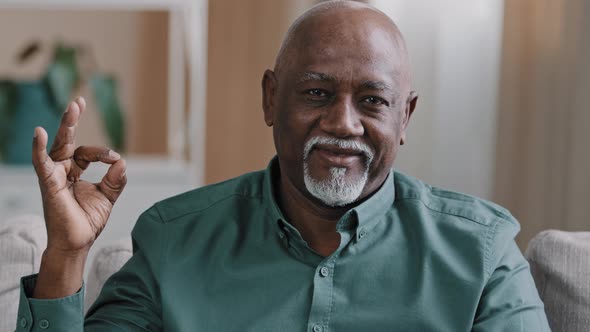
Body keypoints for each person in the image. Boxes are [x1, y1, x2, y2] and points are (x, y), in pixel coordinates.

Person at [16, 1, 550, 331]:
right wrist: (66, 253)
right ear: (271, 98)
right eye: (316, 92)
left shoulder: (483, 254)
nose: (343, 123)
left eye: (373, 101)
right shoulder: (172, 239)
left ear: (405, 115)